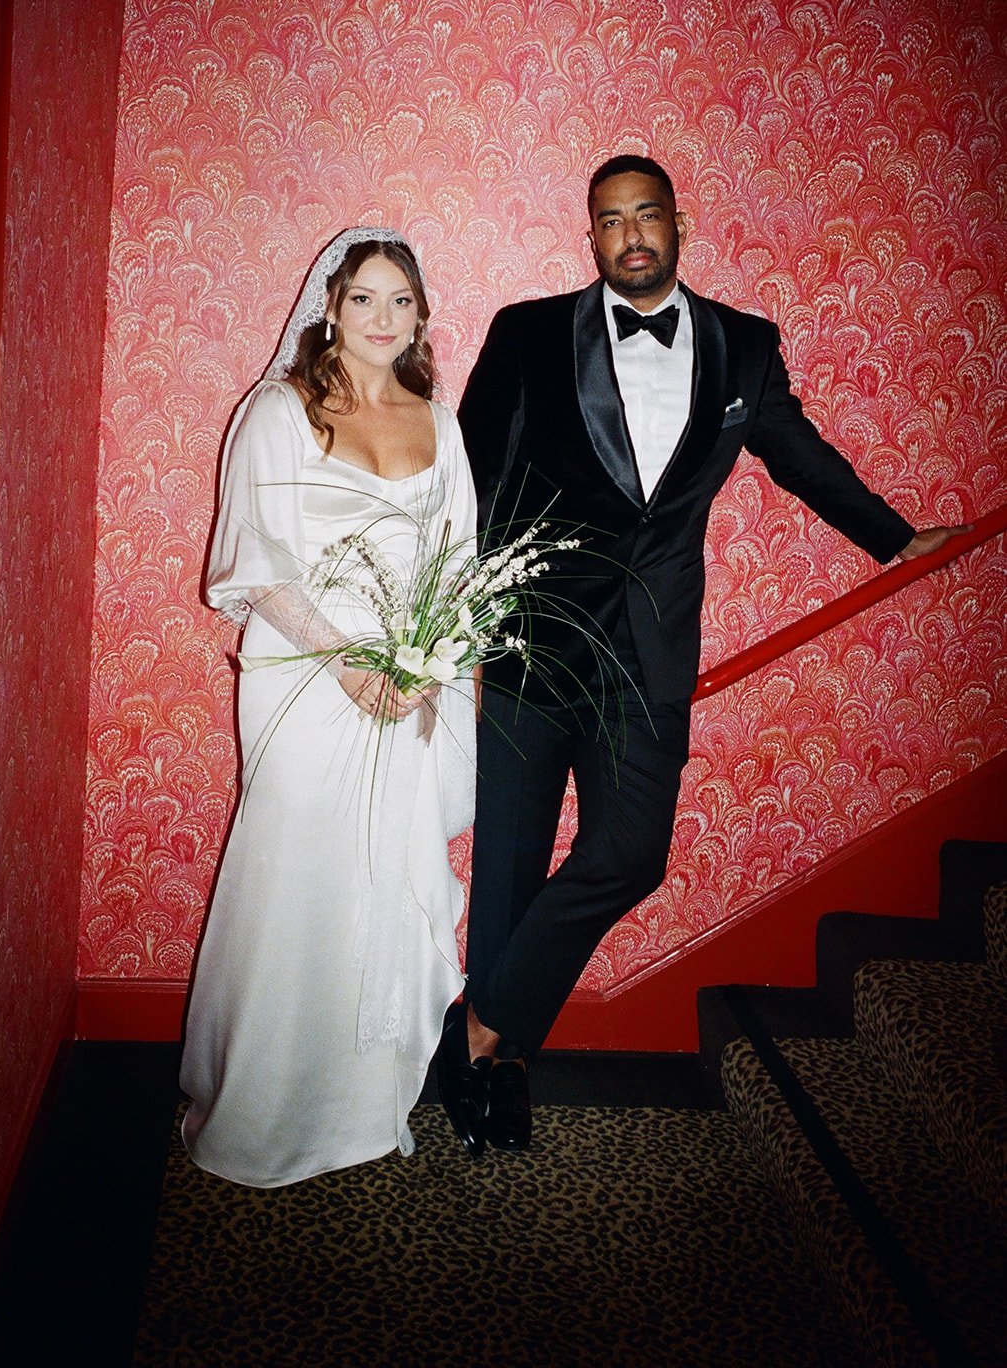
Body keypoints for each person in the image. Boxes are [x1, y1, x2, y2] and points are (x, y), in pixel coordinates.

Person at [437, 153, 964, 1159]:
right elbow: (469, 469)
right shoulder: (529, 332)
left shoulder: (743, 347)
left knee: (632, 852)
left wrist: (896, 538)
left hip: (647, 651)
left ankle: (471, 1027)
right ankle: (501, 1068)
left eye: (645, 215)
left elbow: (800, 456)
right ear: (588, 235)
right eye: (608, 220)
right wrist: (453, 610)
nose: (629, 234)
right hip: (530, 637)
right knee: (508, 864)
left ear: (678, 222)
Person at [180, 227, 477, 1185]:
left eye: (401, 301)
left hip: (406, 679)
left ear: (422, 314)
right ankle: (260, 1107)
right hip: (308, 676)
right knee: (299, 876)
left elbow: (458, 561)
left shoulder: (441, 419)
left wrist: (429, 664)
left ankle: (363, 1100)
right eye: (365, 299)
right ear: (330, 307)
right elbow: (257, 563)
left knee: (382, 881)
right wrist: (349, 661)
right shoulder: (279, 410)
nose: (384, 320)